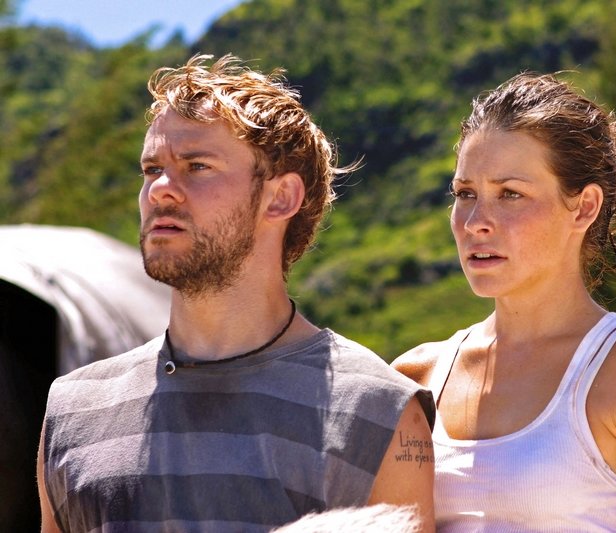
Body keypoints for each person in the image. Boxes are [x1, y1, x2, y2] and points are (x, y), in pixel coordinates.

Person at [36, 54, 435, 532]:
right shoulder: (73, 407)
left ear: (280, 198)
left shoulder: (376, 410)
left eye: (197, 166)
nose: (160, 190)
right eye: (151, 169)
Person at [392, 72, 616, 532]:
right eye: (465, 194)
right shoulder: (415, 379)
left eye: (510, 194)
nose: (476, 221)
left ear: (584, 207)